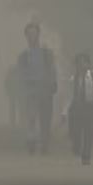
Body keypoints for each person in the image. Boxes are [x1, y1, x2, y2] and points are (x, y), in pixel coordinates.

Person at [17, 22, 57, 155]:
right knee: (31, 117)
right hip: (31, 90)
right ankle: (32, 141)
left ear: (38, 35)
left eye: (33, 34)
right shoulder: (23, 56)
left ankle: (44, 143)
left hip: (45, 89)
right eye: (29, 34)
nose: (31, 37)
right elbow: (21, 74)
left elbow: (52, 69)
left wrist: (53, 83)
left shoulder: (46, 53)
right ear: (26, 36)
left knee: (45, 119)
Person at [64, 53, 93, 165]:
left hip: (90, 107)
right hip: (78, 108)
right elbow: (69, 96)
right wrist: (64, 111)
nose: (82, 65)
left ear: (88, 63)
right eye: (79, 63)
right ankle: (77, 146)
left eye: (84, 62)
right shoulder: (73, 79)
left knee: (89, 132)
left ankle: (86, 154)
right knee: (76, 130)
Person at [4, 62, 23, 127]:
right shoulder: (18, 74)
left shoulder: (10, 75)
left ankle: (14, 121)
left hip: (14, 93)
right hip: (15, 93)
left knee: (15, 107)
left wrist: (8, 92)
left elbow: (6, 84)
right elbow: (6, 84)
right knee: (17, 106)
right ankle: (16, 120)